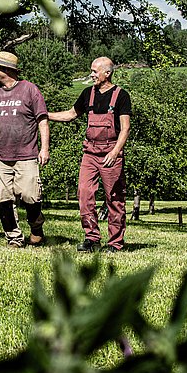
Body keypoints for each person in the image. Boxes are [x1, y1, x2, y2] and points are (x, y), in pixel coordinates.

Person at [48, 57, 131, 253]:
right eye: (91, 71)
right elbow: (70, 115)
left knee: (114, 198)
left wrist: (115, 151)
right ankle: (92, 238)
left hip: (111, 153)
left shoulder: (121, 95)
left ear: (107, 73)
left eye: (95, 71)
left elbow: (125, 128)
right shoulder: (88, 94)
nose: (91, 75)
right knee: (84, 194)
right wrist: (44, 114)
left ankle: (115, 243)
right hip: (90, 153)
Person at [0, 51, 49, 248]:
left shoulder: (29, 90)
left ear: (7, 70)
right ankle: (14, 237)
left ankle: (36, 227)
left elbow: (42, 120)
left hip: (26, 153)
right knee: (2, 198)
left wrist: (44, 149)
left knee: (30, 194)